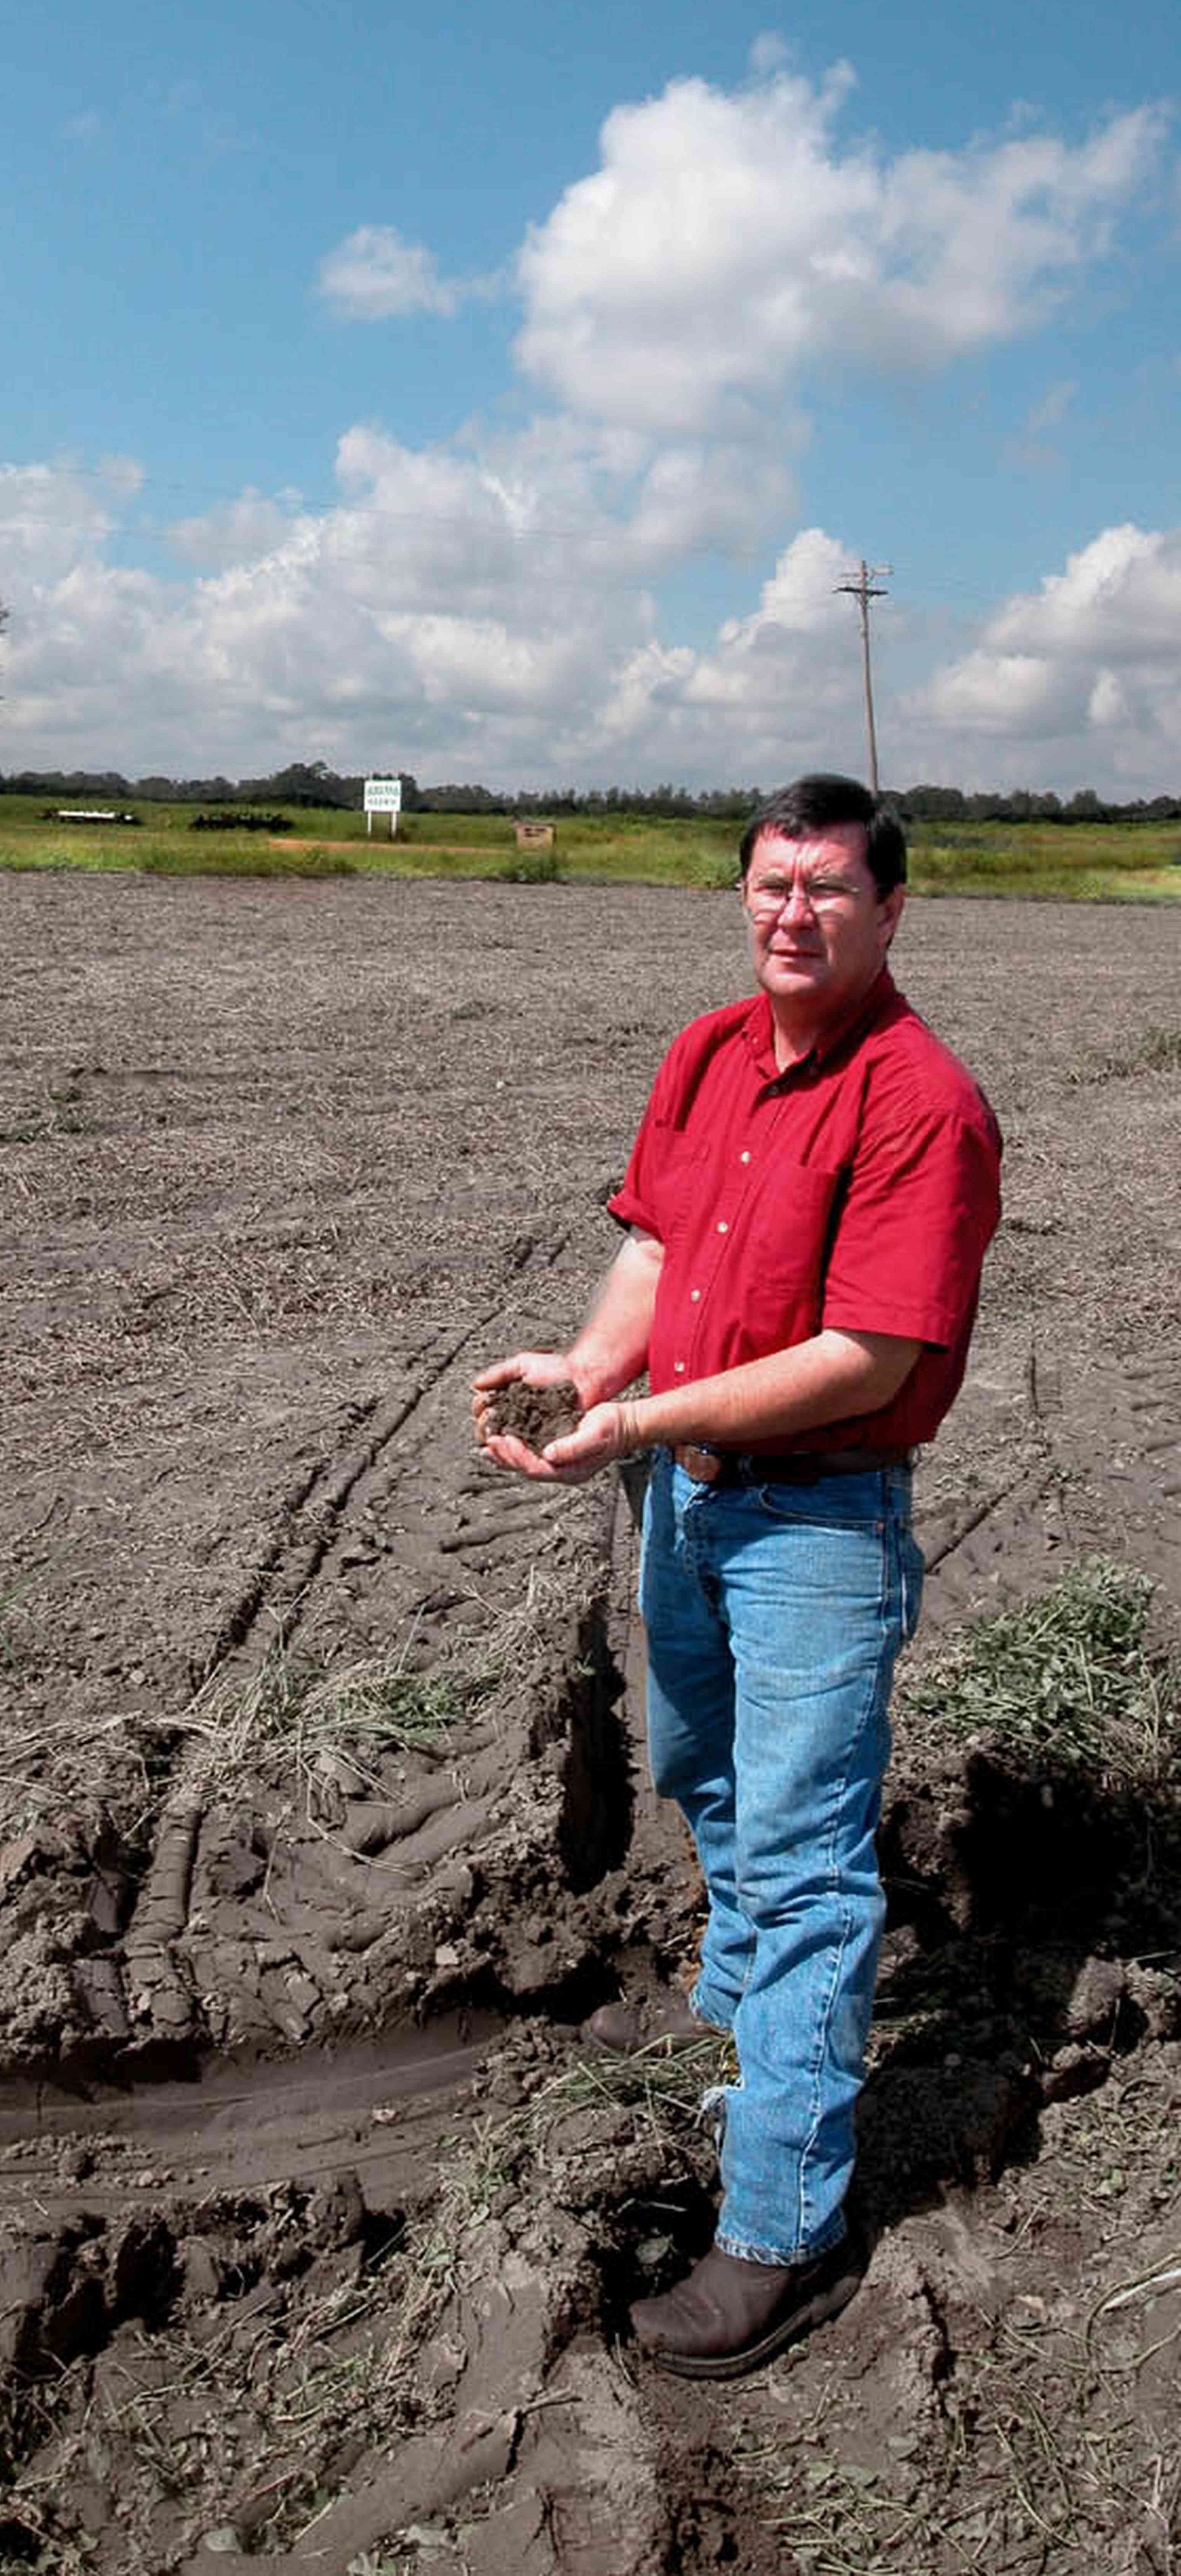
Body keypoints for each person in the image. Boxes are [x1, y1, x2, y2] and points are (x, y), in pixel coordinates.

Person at [472, 773, 1001, 2380]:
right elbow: (653, 1245)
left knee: (805, 1853)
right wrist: (581, 1373)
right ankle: (741, 2020)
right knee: (702, 1771)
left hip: (816, 1530)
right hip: (684, 1506)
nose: (794, 912)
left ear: (890, 908)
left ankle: (784, 2224)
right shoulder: (708, 1051)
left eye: (830, 888)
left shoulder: (921, 1102)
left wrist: (635, 1414)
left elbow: (863, 1355)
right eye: (773, 883)